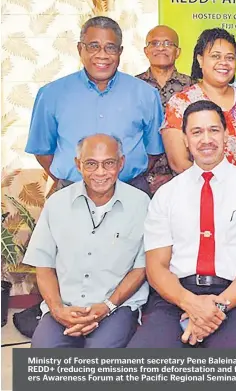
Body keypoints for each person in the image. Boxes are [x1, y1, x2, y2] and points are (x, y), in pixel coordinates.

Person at [127, 100, 236, 348]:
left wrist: (214, 308)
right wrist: (190, 304)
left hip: (234, 299)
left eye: (214, 130)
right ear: (185, 139)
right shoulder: (166, 194)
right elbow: (156, 267)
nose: (206, 139)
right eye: (197, 132)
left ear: (226, 134)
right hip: (175, 298)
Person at [23, 134, 150, 348]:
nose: (100, 173)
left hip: (116, 306)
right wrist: (57, 310)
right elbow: (44, 266)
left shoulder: (141, 204)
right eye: (91, 164)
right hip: (64, 305)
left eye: (108, 163)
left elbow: (141, 268)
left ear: (121, 163)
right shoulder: (57, 203)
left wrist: (107, 306)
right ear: (78, 165)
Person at [25, 16, 164, 194]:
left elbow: (153, 151)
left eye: (110, 48)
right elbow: (42, 151)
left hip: (131, 190)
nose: (102, 54)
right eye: (93, 46)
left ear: (120, 51)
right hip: (71, 191)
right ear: (79, 48)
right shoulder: (51, 94)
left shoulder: (146, 94)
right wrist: (76, 181)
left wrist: (124, 177)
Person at [161, 28, 236, 183]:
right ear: (200, 60)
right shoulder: (181, 104)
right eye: (215, 56)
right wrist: (219, 189)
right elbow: (178, 163)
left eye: (230, 57)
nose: (223, 63)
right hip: (202, 196)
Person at [137, 25, 194, 195]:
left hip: (185, 179)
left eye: (168, 43)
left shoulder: (194, 87)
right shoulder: (131, 87)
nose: (161, 48)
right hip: (139, 181)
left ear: (178, 52)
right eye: (154, 43)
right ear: (146, 51)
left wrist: (174, 176)